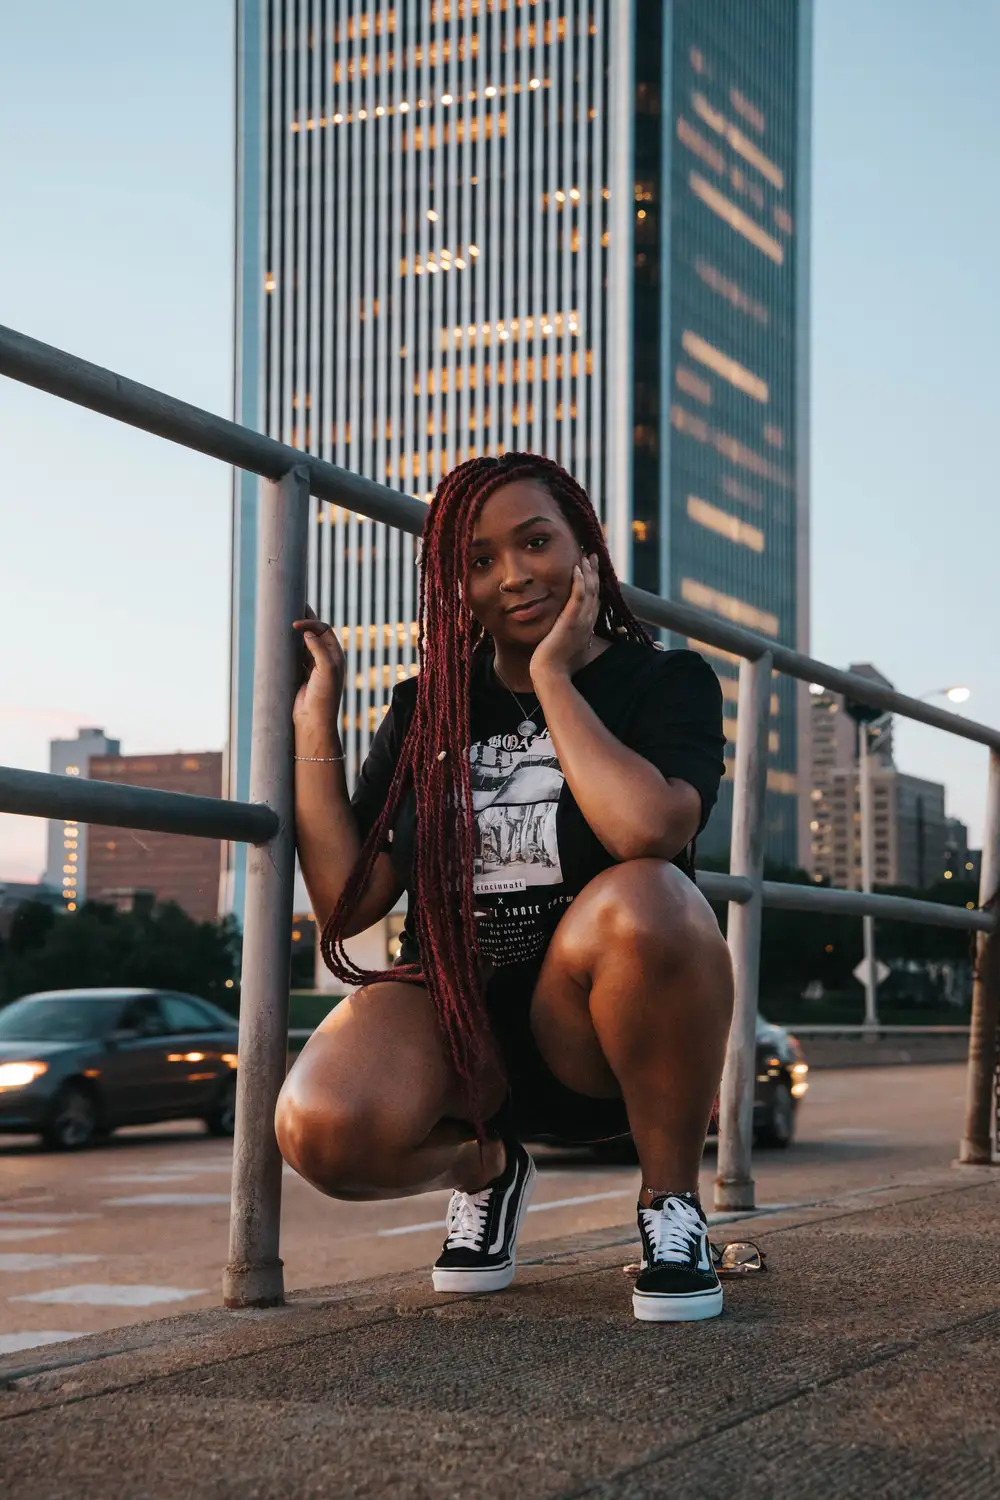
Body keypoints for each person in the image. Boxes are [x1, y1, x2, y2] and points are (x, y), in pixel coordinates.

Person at [276, 452, 733, 1322]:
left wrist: (555, 678)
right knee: (318, 1130)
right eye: (479, 562)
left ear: (585, 549)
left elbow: (649, 832)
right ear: (456, 584)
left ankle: (670, 1204)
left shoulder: (664, 680)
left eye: (535, 543)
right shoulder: (426, 708)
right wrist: (316, 723)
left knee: (652, 897)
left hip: (593, 1035)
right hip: (458, 1029)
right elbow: (347, 898)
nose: (514, 576)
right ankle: (485, 1167)